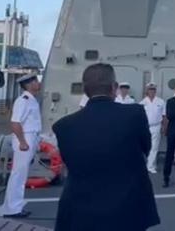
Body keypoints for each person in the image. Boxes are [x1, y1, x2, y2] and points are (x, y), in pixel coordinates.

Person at [52, 63, 159, 231]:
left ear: (85, 90)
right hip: (128, 207)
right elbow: (146, 148)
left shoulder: (63, 126)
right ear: (114, 87)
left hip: (81, 210)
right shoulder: (135, 114)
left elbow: (69, 162)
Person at [0, 74, 42, 219]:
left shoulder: (32, 100)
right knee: (18, 175)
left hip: (31, 137)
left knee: (21, 175)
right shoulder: (23, 101)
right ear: (28, 85)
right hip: (25, 138)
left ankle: (15, 206)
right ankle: (12, 209)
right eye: (35, 81)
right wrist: (22, 142)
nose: (38, 83)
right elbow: (15, 123)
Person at [139, 82, 166, 174]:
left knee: (154, 147)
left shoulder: (161, 102)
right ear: (147, 91)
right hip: (145, 127)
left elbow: (164, 116)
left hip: (156, 126)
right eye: (150, 89)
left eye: (153, 89)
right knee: (144, 147)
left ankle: (151, 166)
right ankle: (144, 164)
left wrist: (164, 127)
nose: (152, 91)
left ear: (155, 91)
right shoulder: (142, 103)